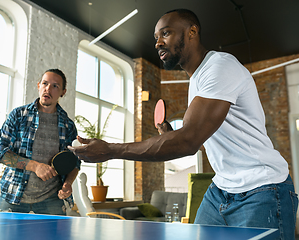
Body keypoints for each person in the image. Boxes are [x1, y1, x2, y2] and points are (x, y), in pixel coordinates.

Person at [69, 9, 298, 239]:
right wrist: (172, 134)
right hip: (221, 189)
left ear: (192, 32)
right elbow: (202, 142)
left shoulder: (219, 67)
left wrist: (110, 150)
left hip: (262, 188)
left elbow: (188, 141)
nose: (158, 43)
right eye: (155, 37)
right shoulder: (196, 81)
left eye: (165, 33)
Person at [0, 68, 80, 215]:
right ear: (39, 85)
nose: (48, 89)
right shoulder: (18, 115)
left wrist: (68, 184)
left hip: (51, 198)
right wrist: (34, 166)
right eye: (45, 83)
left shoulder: (68, 125)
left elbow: (74, 162)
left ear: (63, 92)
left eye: (55, 86)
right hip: (13, 194)